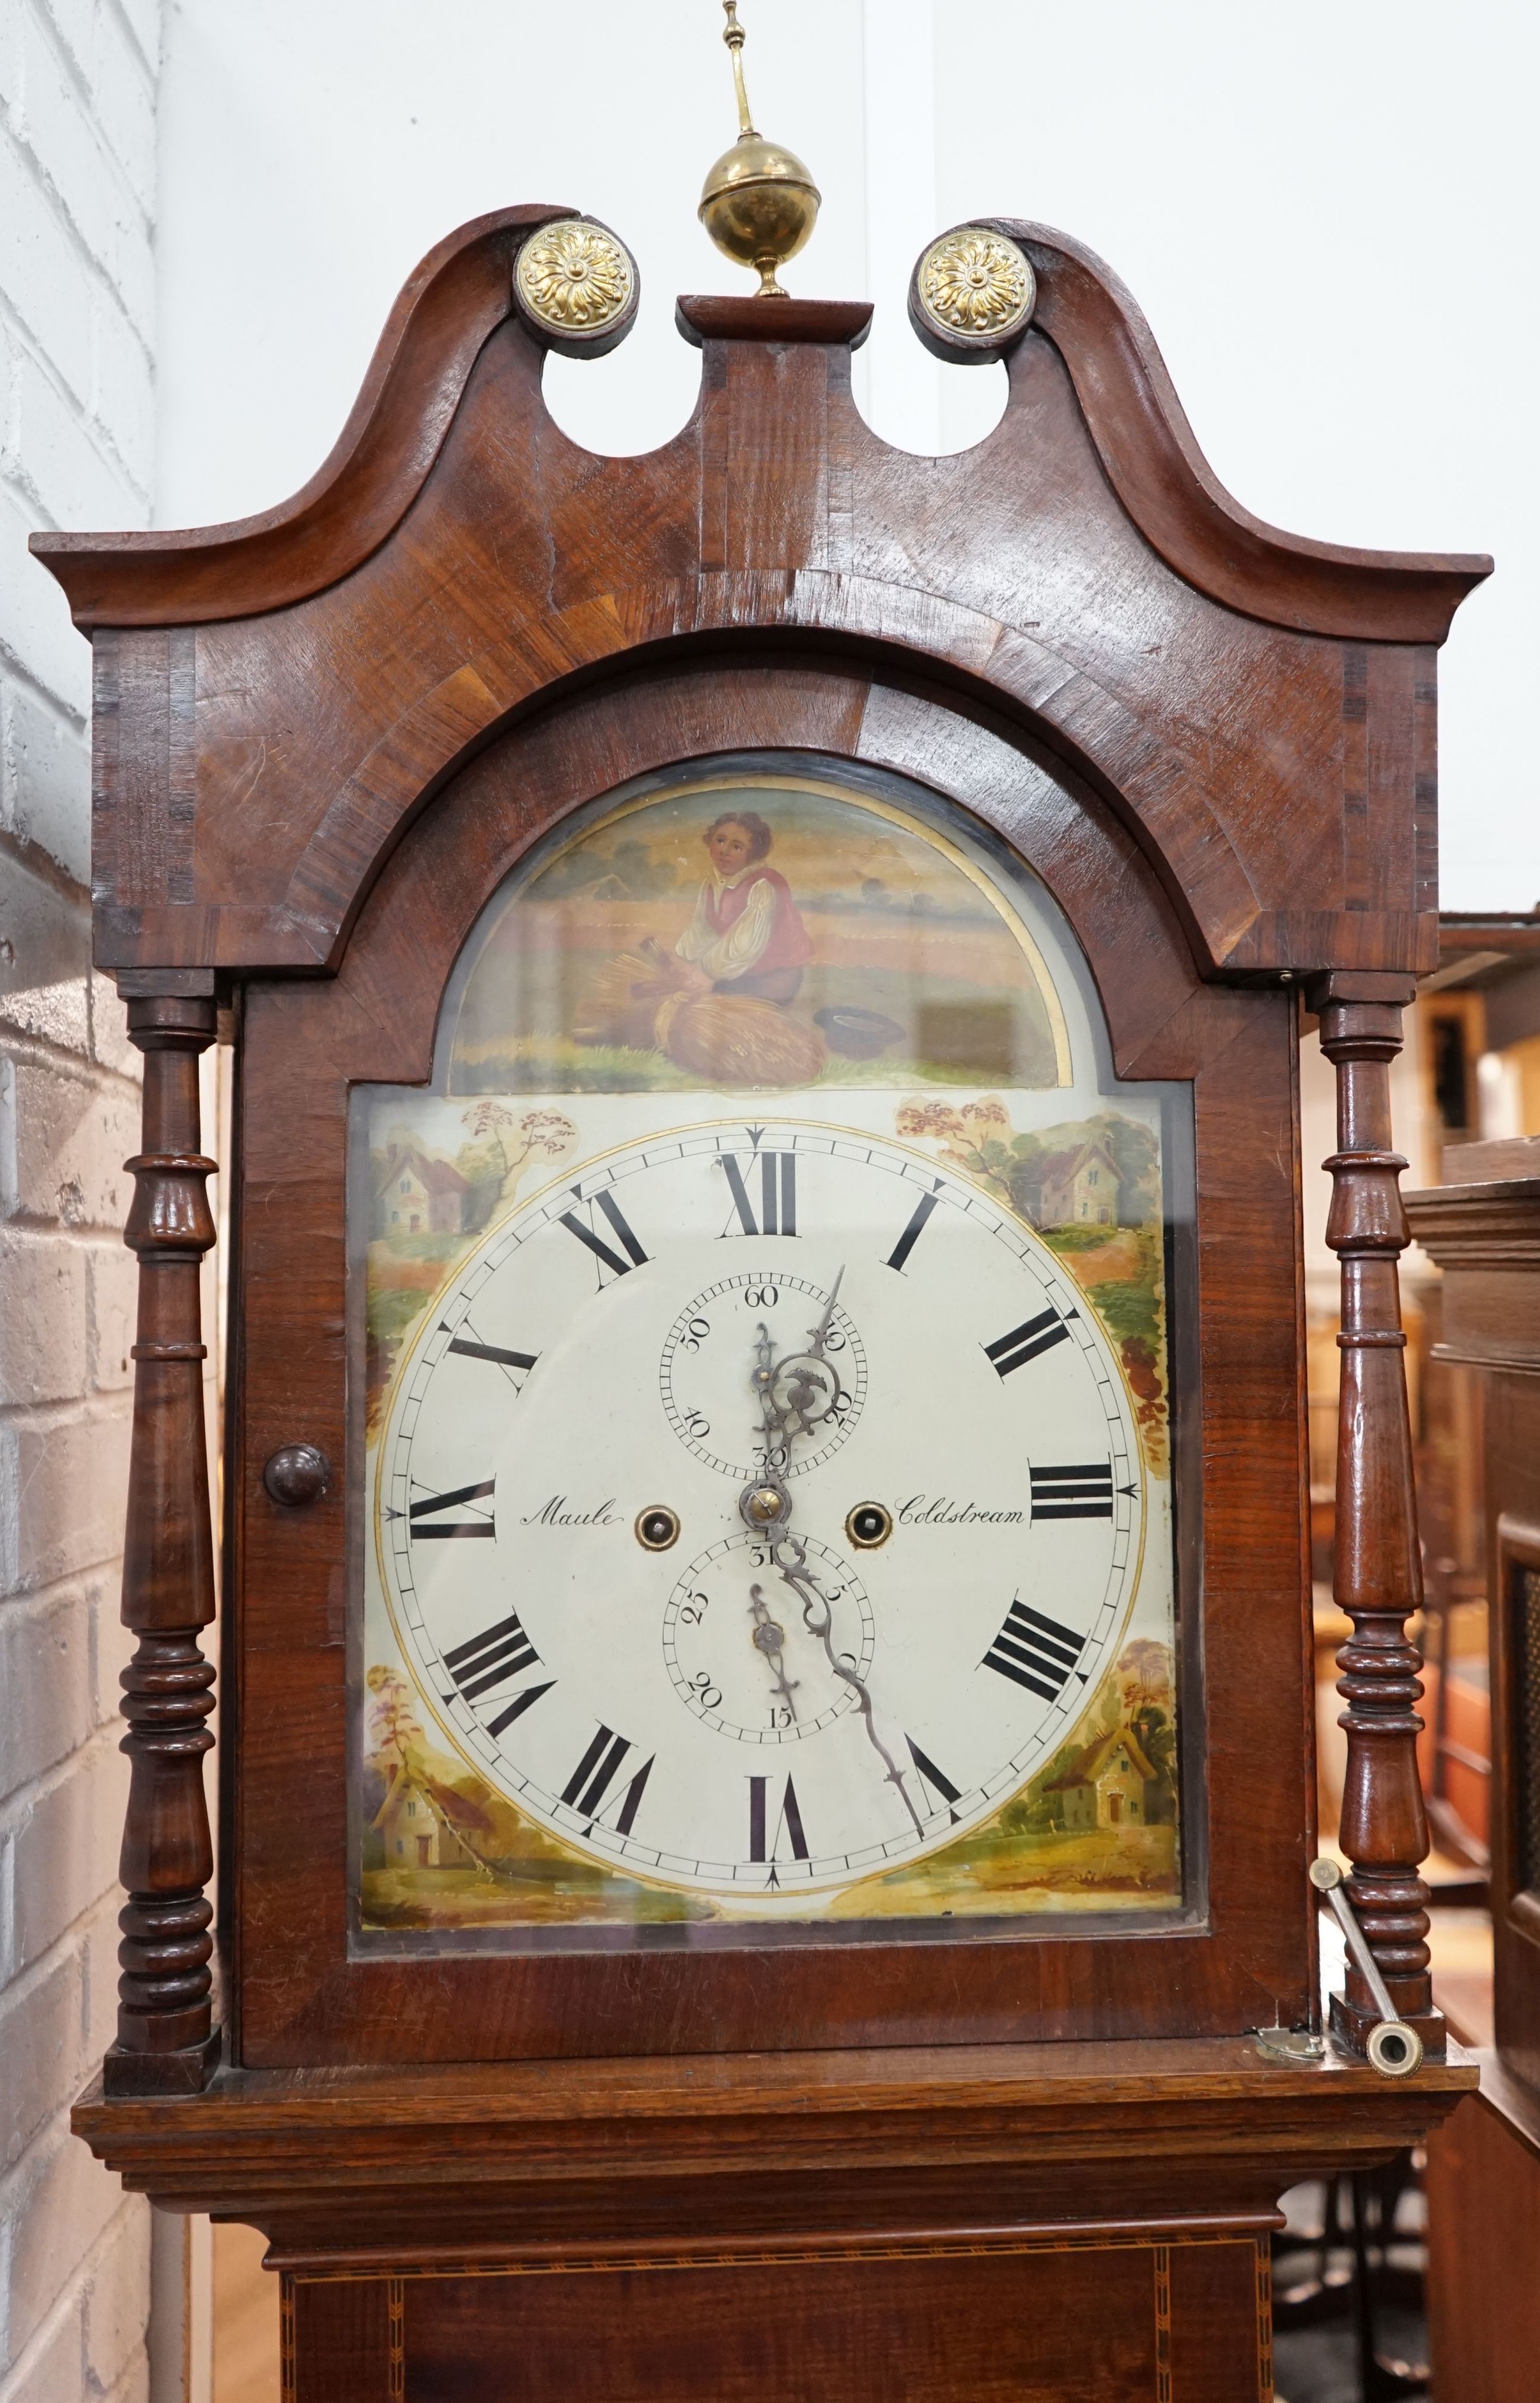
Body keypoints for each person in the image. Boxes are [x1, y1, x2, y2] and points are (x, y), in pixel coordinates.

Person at [674, 810, 813, 1003]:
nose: (724, 850)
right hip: (734, 973)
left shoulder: (763, 884)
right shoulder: (712, 885)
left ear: (752, 853)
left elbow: (745, 944)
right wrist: (689, 964)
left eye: (737, 847)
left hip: (774, 978)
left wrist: (705, 973)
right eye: (720, 840)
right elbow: (701, 931)